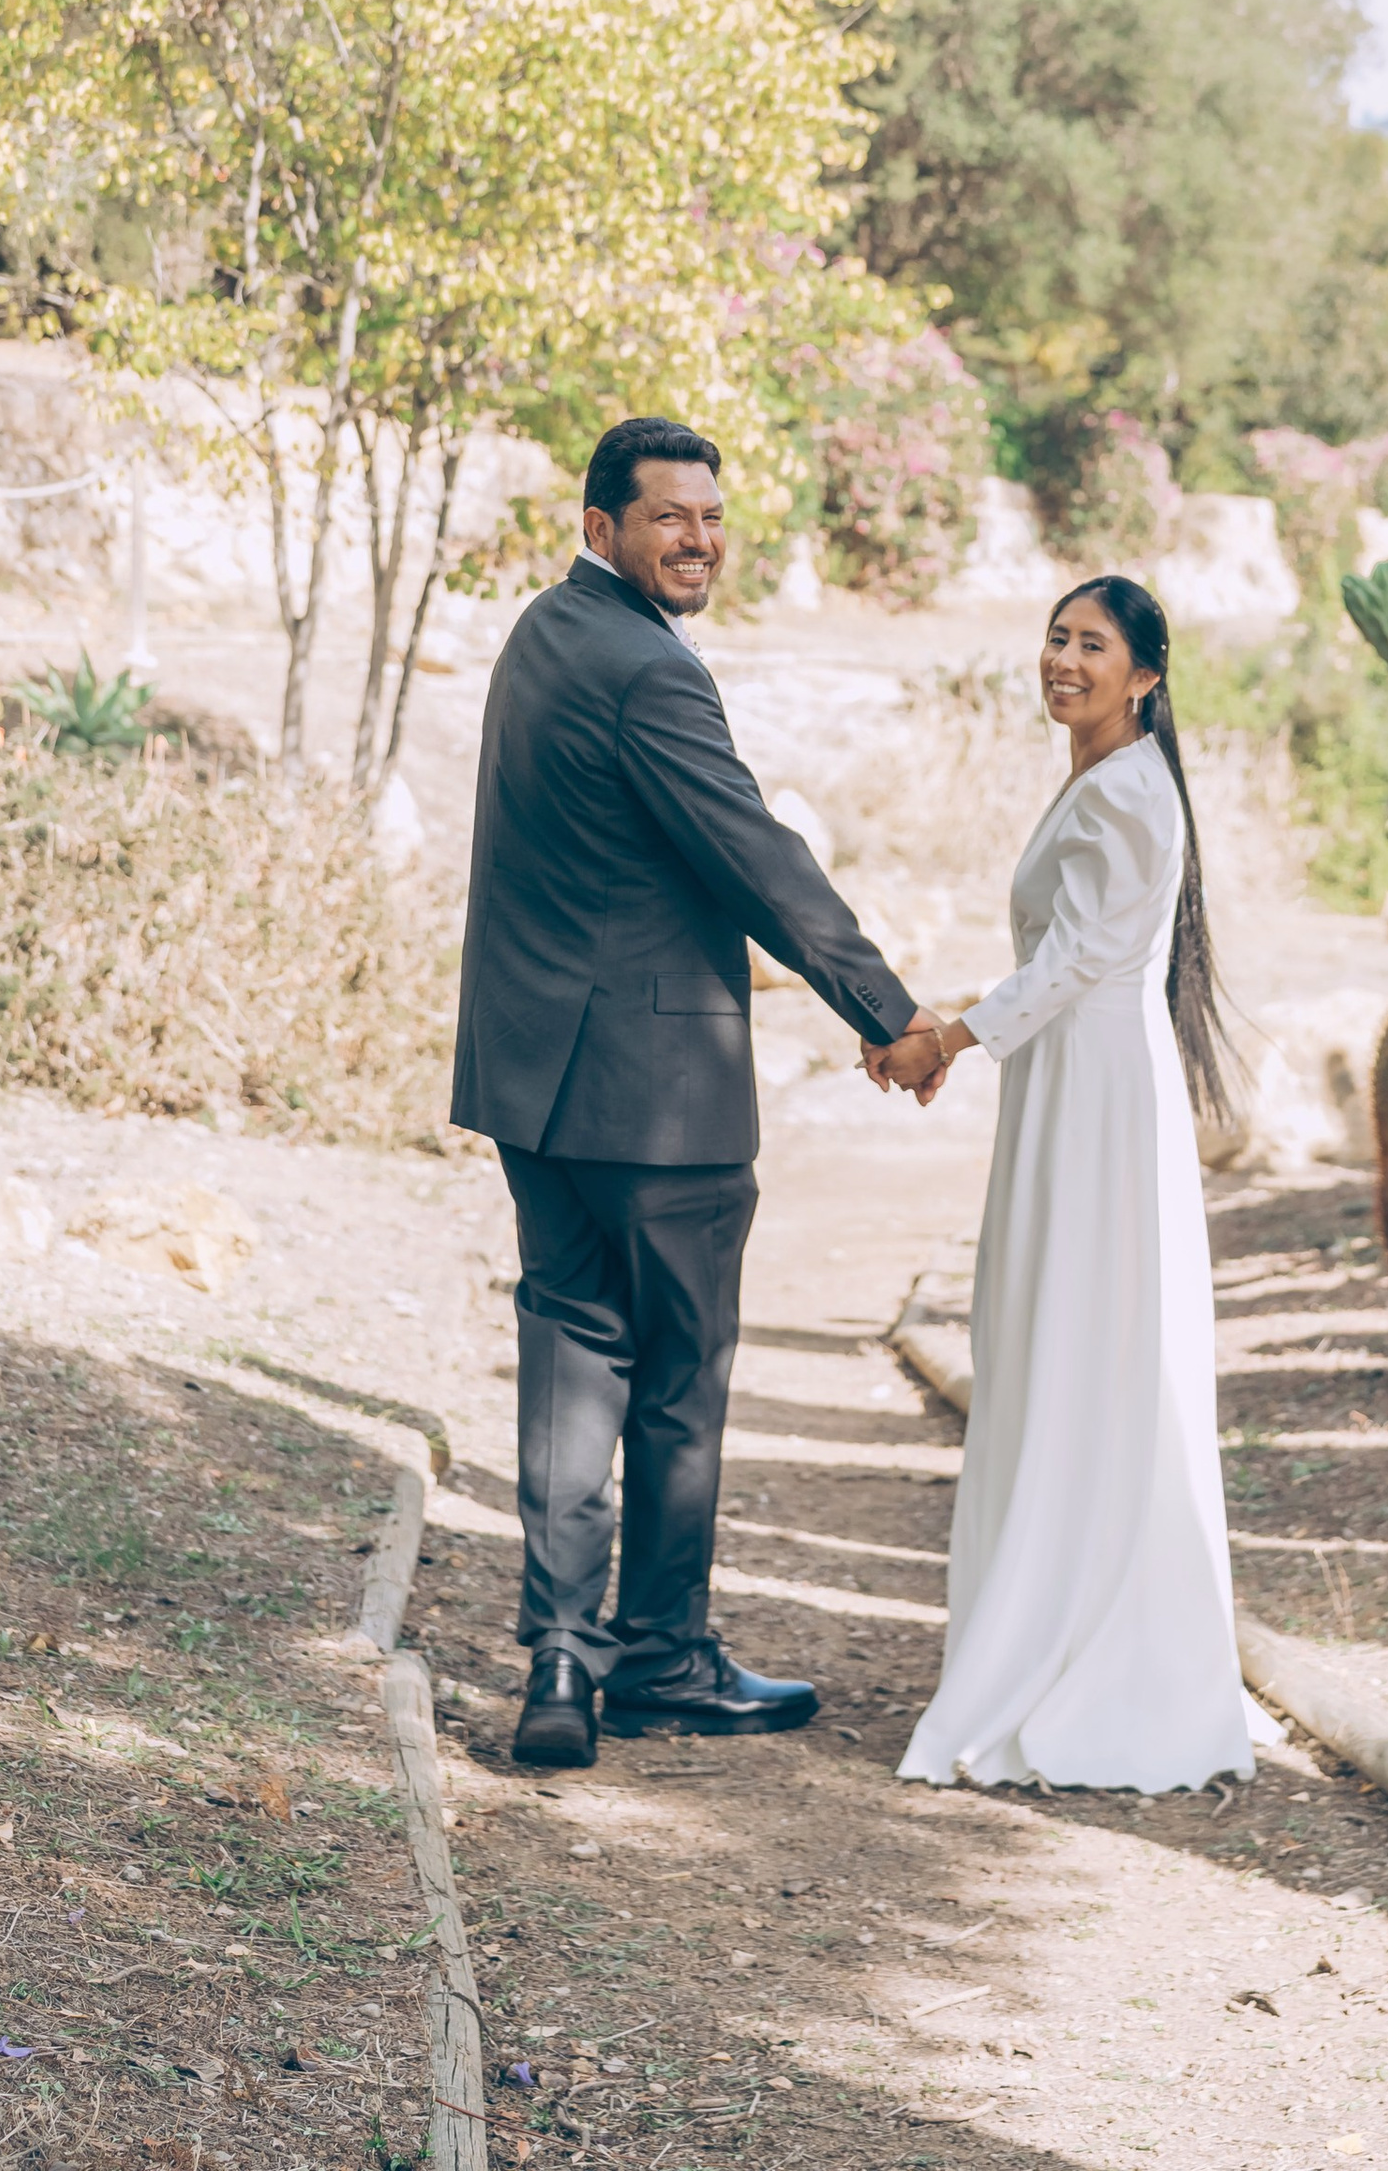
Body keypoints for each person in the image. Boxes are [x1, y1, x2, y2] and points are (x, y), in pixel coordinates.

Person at [450, 414, 946, 1772]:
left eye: (713, 518)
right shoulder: (650, 672)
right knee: (676, 1379)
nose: (699, 540)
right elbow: (756, 859)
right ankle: (662, 1659)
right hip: (656, 1093)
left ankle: (562, 1657)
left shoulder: (543, 634)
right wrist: (891, 1016)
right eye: (669, 517)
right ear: (600, 527)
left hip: (534, 1084)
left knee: (570, 1359)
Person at [887, 574, 1266, 1792]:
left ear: (1144, 675)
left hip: (1093, 1093)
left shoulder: (1125, 792)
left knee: (1081, 1334)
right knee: (1069, 1333)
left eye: (1092, 644)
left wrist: (948, 1038)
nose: (1064, 659)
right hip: (1075, 1078)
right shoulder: (1112, 780)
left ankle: (1082, 1647)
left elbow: (1074, 961)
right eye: (1056, 637)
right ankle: (1062, 1614)